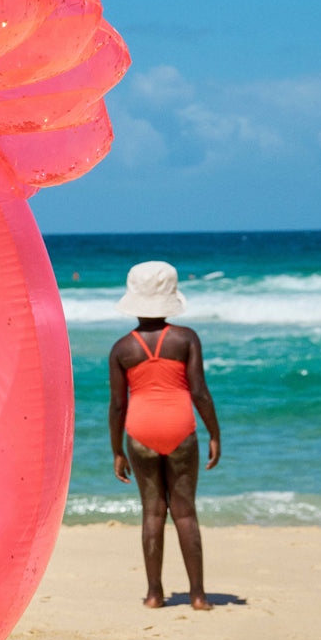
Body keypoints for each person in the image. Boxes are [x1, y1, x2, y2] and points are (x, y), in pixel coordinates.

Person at [108, 261, 220, 611]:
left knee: (152, 513)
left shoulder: (122, 349)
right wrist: (214, 433)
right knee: (185, 513)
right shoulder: (186, 338)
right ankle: (198, 596)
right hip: (180, 429)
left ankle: (155, 594)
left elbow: (116, 406)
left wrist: (117, 450)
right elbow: (199, 391)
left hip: (139, 433)